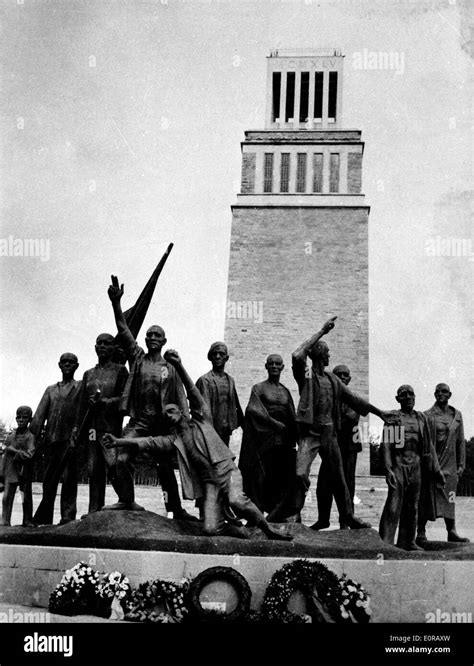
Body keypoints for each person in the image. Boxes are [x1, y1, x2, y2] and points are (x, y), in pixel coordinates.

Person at [103, 350, 292, 541]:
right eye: (165, 414)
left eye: (171, 410)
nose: (168, 414)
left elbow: (193, 392)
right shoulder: (173, 440)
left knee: (237, 500)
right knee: (210, 529)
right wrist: (118, 441)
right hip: (210, 483)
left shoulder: (203, 420)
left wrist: (178, 365)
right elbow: (146, 442)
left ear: (180, 410)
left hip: (227, 473)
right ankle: (234, 530)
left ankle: (268, 529)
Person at [276, 316, 395, 528]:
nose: (330, 354)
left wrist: (379, 413)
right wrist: (322, 331)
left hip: (329, 435)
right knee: (300, 473)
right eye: (327, 351)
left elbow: (355, 400)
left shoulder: (333, 380)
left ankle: (347, 516)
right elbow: (296, 354)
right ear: (318, 354)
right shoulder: (306, 375)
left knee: (339, 478)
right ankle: (293, 512)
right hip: (311, 435)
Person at [106, 276, 195, 519]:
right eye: (149, 335)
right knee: (120, 459)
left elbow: (181, 398)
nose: (152, 338)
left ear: (164, 341)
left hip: (162, 425)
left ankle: (175, 509)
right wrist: (116, 303)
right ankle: (127, 500)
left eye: (157, 335)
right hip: (140, 421)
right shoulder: (138, 358)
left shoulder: (170, 367)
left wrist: (183, 426)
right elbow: (124, 330)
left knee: (165, 469)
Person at [379, 385, 445, 551]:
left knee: (412, 506)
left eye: (411, 394)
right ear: (398, 399)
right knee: (394, 505)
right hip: (399, 465)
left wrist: (437, 471)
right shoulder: (395, 418)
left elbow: (428, 446)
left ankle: (407, 541)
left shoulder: (420, 418)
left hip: (416, 467)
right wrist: (388, 469)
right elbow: (386, 445)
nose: (408, 397)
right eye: (404, 394)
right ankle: (385, 542)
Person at [72, 334, 128, 514]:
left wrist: (104, 402)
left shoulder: (121, 371)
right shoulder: (88, 374)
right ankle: (94, 510)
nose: (103, 346)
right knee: (93, 468)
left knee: (113, 465)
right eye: (100, 343)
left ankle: (126, 501)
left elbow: (125, 400)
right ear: (95, 347)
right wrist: (76, 428)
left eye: (107, 343)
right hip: (91, 429)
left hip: (110, 428)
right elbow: (81, 404)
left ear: (113, 348)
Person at [239, 354, 297, 514]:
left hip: (283, 440)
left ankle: (277, 512)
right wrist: (273, 423)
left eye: (277, 363)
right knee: (261, 476)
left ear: (282, 367)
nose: (274, 366)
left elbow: (292, 415)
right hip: (263, 438)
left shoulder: (285, 391)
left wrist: (296, 433)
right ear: (266, 366)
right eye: (270, 363)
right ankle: (258, 513)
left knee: (280, 476)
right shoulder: (259, 388)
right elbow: (253, 409)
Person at [31, 354, 82, 525]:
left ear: (76, 366)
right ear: (59, 365)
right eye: (64, 362)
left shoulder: (80, 387)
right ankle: (45, 516)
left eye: (71, 362)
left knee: (69, 479)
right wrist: (31, 441)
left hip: (71, 441)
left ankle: (67, 516)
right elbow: (38, 418)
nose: (67, 365)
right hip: (51, 441)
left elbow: (84, 413)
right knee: (49, 480)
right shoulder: (51, 390)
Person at [417, 383, 469, 544]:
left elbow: (460, 442)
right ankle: (421, 531)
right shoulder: (427, 415)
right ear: (434, 395)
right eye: (438, 392)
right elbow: (424, 443)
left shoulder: (457, 415)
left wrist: (461, 464)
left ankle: (451, 531)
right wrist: (429, 463)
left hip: (451, 465)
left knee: (450, 498)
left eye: (444, 391)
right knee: (426, 496)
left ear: (450, 394)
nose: (440, 394)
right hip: (433, 463)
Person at [314, 364, 362, 530]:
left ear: (349, 379)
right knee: (323, 485)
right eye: (338, 374)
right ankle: (323, 519)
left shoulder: (353, 398)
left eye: (345, 375)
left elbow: (351, 418)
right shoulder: (328, 397)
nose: (342, 377)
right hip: (330, 447)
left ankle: (346, 521)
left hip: (348, 448)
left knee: (347, 485)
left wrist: (331, 420)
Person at [196, 342, 243, 446]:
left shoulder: (230, 380)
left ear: (226, 358)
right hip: (209, 430)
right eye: (214, 354)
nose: (217, 357)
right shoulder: (204, 380)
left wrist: (244, 424)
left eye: (221, 354)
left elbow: (236, 404)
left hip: (226, 429)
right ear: (210, 357)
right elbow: (199, 408)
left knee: (225, 458)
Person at [0, 406, 35, 527]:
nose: (21, 420)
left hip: (24, 472)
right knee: (6, 498)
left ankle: (27, 520)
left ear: (30, 419)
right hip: (11, 472)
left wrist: (14, 451)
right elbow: (5, 457)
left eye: (24, 418)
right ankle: (4, 520)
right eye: (18, 417)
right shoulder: (10, 437)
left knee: (25, 498)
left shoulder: (30, 437)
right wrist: (1, 475)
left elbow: (30, 455)